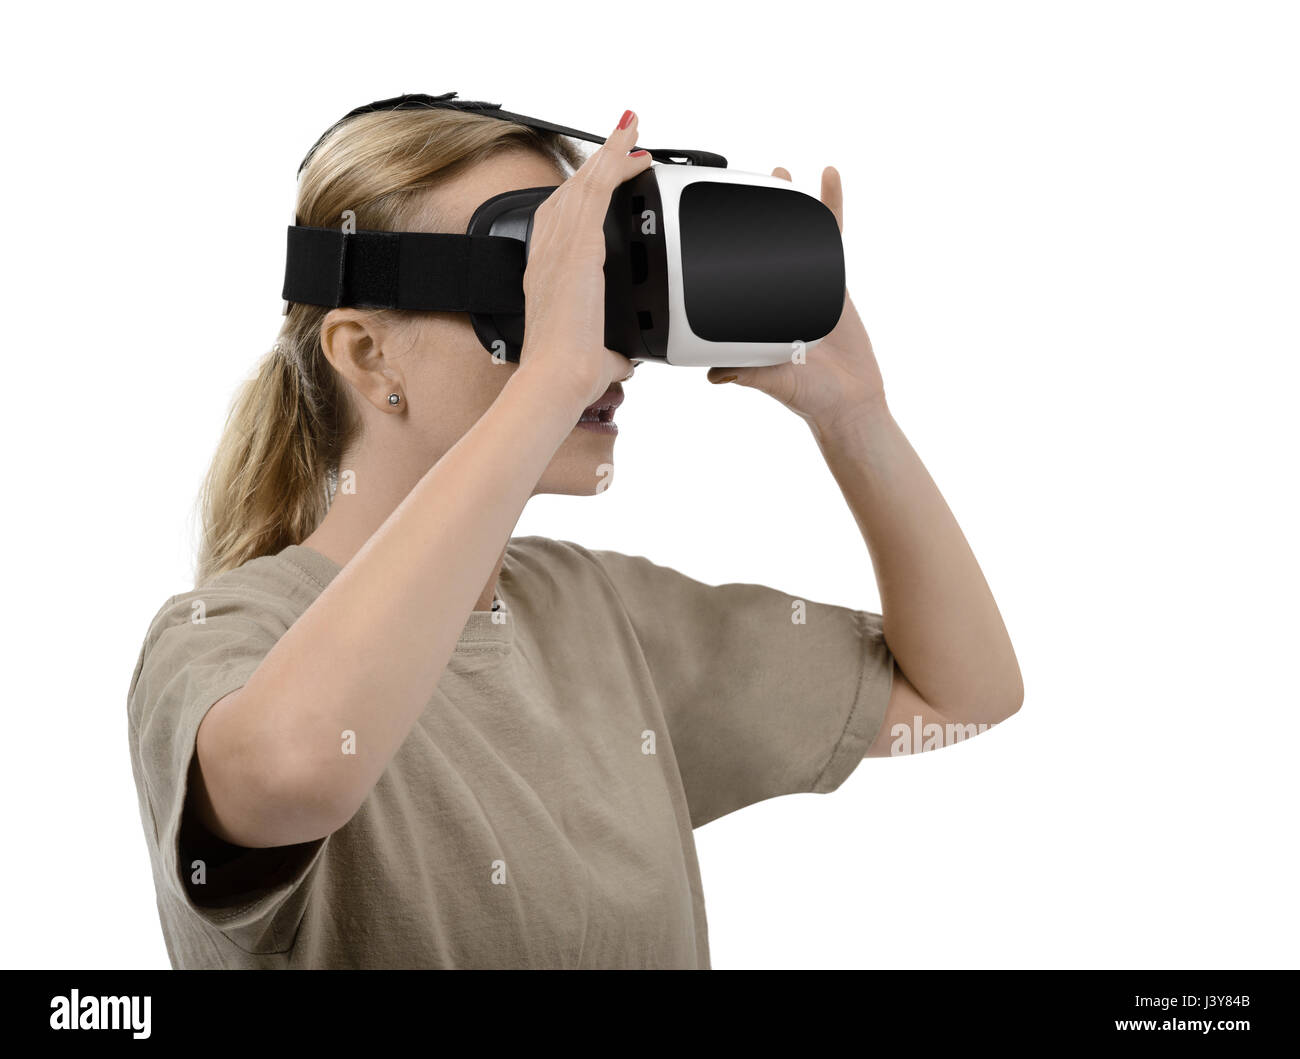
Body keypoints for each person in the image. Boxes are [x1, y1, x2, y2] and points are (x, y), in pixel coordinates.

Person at [126, 105, 1023, 969]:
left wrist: (855, 417)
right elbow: (296, 769)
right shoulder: (222, 637)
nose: (602, 345)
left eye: (596, 280)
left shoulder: (594, 613)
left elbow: (961, 694)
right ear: (367, 354)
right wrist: (547, 382)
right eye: (541, 283)